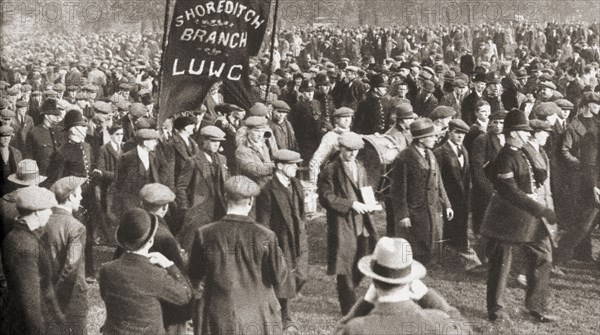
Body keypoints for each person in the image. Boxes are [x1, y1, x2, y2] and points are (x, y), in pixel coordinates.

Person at [480, 109, 557, 323]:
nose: (527, 135)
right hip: (507, 220)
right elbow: (510, 192)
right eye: (524, 132)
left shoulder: (521, 152)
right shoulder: (505, 157)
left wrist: (538, 177)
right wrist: (540, 209)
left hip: (527, 219)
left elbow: (529, 176)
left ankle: (535, 307)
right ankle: (495, 312)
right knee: (501, 266)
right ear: (513, 133)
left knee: (544, 257)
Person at [188, 176, 289, 335]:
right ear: (250, 201)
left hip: (217, 315)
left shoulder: (204, 233)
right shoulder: (266, 236)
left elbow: (194, 274)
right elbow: (279, 277)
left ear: (225, 197)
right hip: (257, 315)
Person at [337, 237, 470, 335]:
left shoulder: (357, 329)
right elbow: (465, 329)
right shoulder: (438, 321)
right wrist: (427, 296)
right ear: (410, 281)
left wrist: (365, 303)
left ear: (374, 282)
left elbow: (340, 331)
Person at [99, 208, 192, 335]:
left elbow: (105, 295)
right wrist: (169, 264)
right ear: (150, 241)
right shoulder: (156, 274)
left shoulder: (107, 270)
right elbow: (184, 295)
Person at [318, 131, 379, 315]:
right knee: (344, 266)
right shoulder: (331, 169)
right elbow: (325, 197)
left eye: (356, 151)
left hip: (361, 222)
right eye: (349, 150)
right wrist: (351, 204)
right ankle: (349, 310)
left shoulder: (360, 167)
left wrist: (371, 203)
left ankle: (350, 293)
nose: (352, 154)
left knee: (361, 262)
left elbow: (365, 188)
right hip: (342, 222)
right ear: (340, 148)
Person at [2, 186, 65, 334]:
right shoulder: (24, 246)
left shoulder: (26, 236)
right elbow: (30, 304)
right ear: (36, 213)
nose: (50, 213)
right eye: (47, 209)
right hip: (26, 325)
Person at [256, 149, 308, 329]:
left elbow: (301, 212)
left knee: (302, 275)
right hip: (281, 239)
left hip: (298, 237)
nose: (296, 168)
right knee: (284, 277)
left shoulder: (296, 184)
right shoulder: (268, 190)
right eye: (292, 165)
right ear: (279, 166)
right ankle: (286, 319)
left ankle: (275, 300)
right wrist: (269, 245)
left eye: (296, 164)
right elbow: (263, 221)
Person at [390, 118, 453, 263]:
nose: (435, 139)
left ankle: (429, 263)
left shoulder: (430, 154)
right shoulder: (404, 158)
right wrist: (403, 215)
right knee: (416, 242)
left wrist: (447, 204)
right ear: (421, 139)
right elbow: (398, 190)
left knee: (432, 238)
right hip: (415, 210)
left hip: (432, 207)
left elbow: (439, 182)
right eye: (431, 136)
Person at [557, 92, 600, 264]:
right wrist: (594, 185)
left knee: (586, 223)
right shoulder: (588, 132)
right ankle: (557, 258)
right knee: (582, 225)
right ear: (589, 105)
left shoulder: (596, 125)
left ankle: (582, 254)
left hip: (592, 180)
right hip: (588, 182)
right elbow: (587, 164)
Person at [434, 119, 482, 271]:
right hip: (448, 198)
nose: (460, 136)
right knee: (450, 229)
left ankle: (461, 258)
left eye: (463, 134)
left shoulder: (464, 151)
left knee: (459, 227)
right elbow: (436, 179)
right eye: (457, 133)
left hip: (462, 199)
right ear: (449, 132)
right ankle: (468, 261)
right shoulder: (440, 152)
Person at [46, 176, 89, 335]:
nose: (82, 197)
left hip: (47, 292)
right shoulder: (76, 227)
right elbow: (71, 267)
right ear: (70, 197)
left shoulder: (43, 221)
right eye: (79, 194)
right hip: (71, 298)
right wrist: (58, 300)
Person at [176, 126, 229, 252]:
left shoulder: (222, 159)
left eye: (219, 142)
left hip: (220, 209)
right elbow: (181, 187)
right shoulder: (193, 161)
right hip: (198, 210)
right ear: (204, 141)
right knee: (193, 246)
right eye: (213, 141)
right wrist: (186, 208)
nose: (217, 145)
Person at [113, 128, 161, 216]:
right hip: (131, 202)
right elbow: (119, 183)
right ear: (145, 142)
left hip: (147, 201)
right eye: (154, 141)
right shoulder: (127, 157)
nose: (156, 143)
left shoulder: (152, 156)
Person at [309, 107, 354, 184]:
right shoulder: (330, 137)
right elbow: (315, 161)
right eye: (344, 117)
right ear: (337, 120)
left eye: (349, 117)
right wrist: (314, 183)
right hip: (334, 179)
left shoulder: (353, 136)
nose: (347, 120)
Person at [235, 116, 275, 188]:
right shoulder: (242, 150)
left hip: (266, 186)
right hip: (251, 188)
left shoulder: (263, 145)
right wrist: (275, 166)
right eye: (256, 131)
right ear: (248, 131)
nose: (260, 135)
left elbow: (266, 162)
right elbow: (255, 170)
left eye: (262, 131)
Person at [0, 125, 22, 197]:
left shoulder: (17, 153)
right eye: (3, 136)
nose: (6, 138)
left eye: (8, 136)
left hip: (12, 187)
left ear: (11, 137)